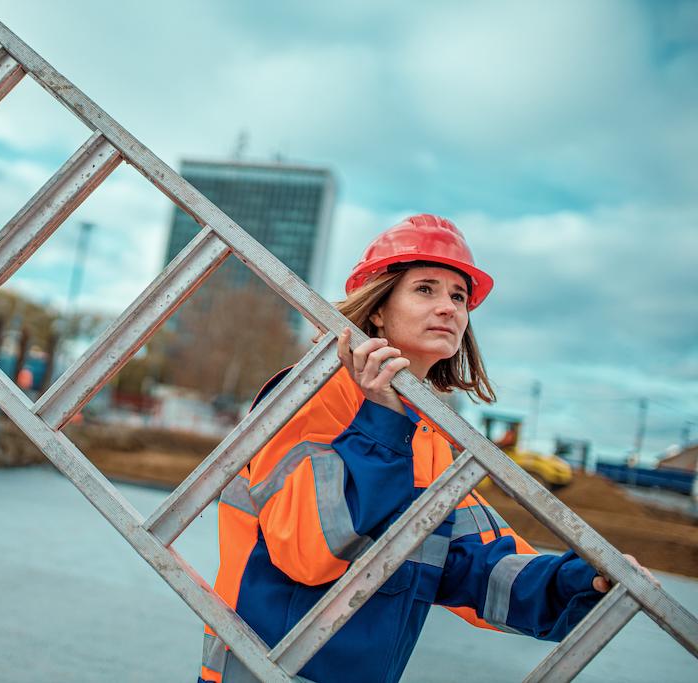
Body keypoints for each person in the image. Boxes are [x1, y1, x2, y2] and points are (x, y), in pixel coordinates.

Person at [198, 215, 652, 683]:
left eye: (459, 296)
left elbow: (480, 566)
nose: (449, 308)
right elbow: (309, 551)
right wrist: (381, 423)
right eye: (425, 290)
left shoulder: (427, 434)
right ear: (378, 307)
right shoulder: (312, 390)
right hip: (257, 673)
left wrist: (583, 581)